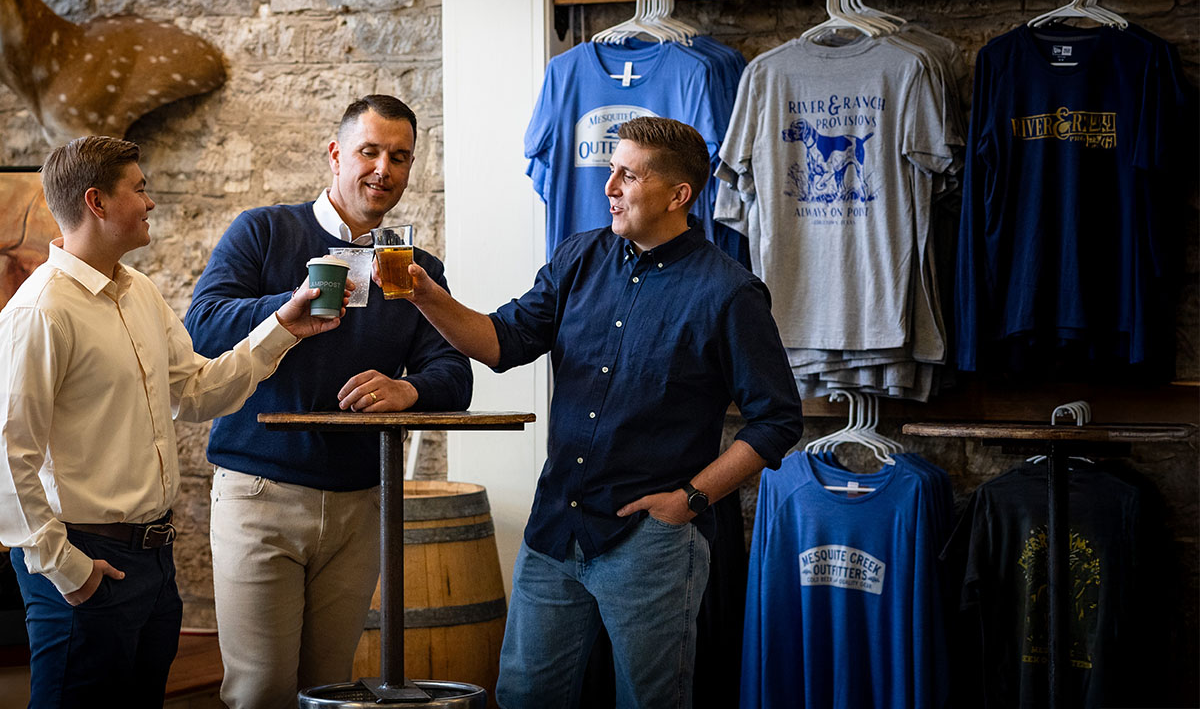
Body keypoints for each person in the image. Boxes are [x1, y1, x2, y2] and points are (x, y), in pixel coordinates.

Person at [397, 116, 804, 708]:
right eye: (610, 170)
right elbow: (500, 343)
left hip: (652, 540)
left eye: (627, 175)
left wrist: (687, 501)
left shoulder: (729, 293)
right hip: (555, 530)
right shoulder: (578, 257)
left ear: (677, 195)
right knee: (523, 696)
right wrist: (423, 294)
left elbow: (777, 420)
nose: (608, 186)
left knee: (650, 701)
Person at [0, 135, 346, 707]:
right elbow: (10, 458)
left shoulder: (139, 292)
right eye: (139, 189)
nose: (151, 202)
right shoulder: (40, 312)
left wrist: (283, 326)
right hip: (86, 563)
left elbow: (196, 393)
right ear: (97, 202)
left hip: (154, 564)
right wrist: (68, 570)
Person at [183, 94, 473, 708]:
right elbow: (202, 328)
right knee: (260, 690)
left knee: (330, 691)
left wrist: (410, 388)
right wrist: (290, 305)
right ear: (336, 154)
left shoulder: (413, 266)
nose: (383, 170)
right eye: (369, 152)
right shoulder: (264, 231)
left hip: (362, 503)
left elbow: (454, 372)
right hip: (260, 491)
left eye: (400, 157)